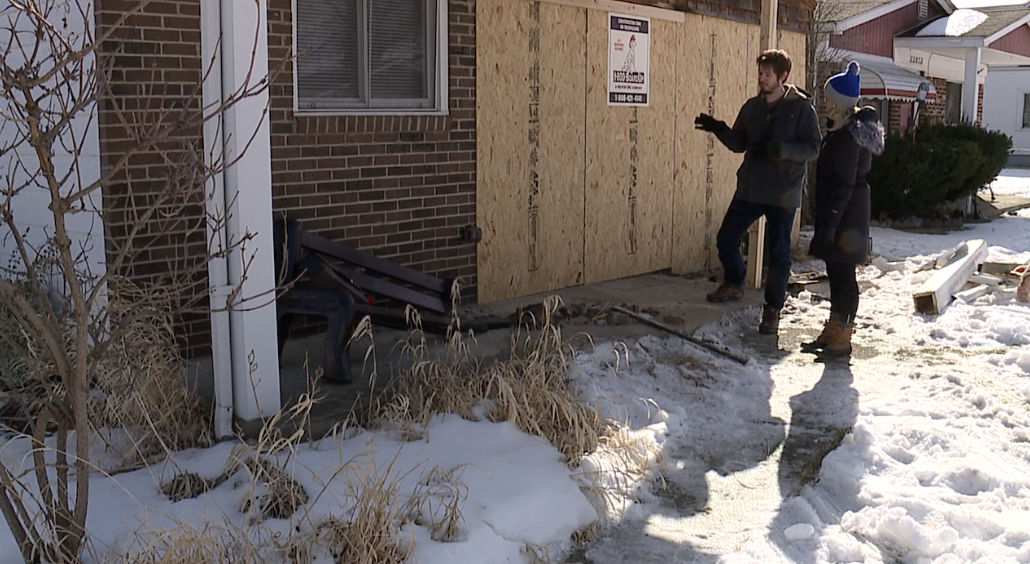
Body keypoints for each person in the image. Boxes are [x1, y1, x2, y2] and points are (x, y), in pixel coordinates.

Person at [694, 49, 822, 335]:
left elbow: (814, 146)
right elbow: (740, 143)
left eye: (767, 74)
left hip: (782, 191)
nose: (762, 79)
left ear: (783, 76)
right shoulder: (752, 107)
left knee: (778, 254)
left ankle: (772, 310)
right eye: (760, 74)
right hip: (751, 187)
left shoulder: (800, 109)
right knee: (726, 239)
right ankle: (735, 281)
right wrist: (719, 128)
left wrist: (784, 150)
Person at [802, 61, 885, 360]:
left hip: (847, 218)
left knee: (843, 275)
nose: (824, 103)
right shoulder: (841, 131)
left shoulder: (849, 137)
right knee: (836, 272)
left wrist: (830, 225)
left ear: (839, 102)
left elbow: (843, 185)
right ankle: (835, 327)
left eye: (827, 98)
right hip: (842, 216)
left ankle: (843, 336)